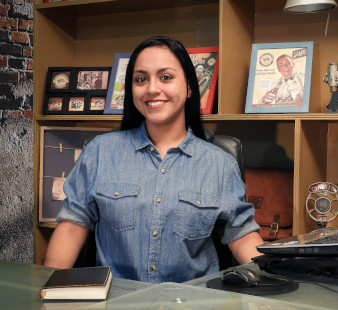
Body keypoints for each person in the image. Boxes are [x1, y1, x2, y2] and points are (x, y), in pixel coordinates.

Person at [43, 36, 264, 283]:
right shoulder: (100, 152)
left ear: (190, 86)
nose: (152, 89)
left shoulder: (219, 164)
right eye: (141, 79)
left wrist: (271, 288)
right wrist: (48, 292)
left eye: (166, 77)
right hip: (117, 309)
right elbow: (72, 227)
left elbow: (242, 235)